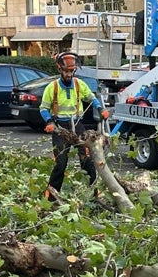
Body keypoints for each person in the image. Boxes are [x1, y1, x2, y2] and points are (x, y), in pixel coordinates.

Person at [40, 52, 109, 199]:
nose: (69, 74)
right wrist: (50, 122)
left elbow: (91, 97)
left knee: (87, 160)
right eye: (66, 71)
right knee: (61, 162)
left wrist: (100, 109)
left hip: (77, 126)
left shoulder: (79, 84)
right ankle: (51, 196)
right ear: (60, 69)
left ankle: (94, 194)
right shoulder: (51, 88)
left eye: (72, 71)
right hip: (60, 128)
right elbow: (43, 108)